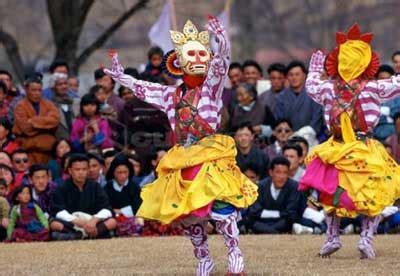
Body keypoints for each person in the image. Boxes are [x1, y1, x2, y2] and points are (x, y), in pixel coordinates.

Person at [104, 16, 257, 275]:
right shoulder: (171, 94)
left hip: (211, 154)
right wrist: (122, 78)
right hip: (185, 157)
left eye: (201, 53)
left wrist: (221, 42)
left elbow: (222, 64)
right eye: (192, 54)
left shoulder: (211, 88)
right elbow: (144, 88)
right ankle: (203, 259)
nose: (198, 59)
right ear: (180, 62)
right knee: (190, 213)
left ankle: (234, 254)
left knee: (222, 208)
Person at [299, 24, 400, 259]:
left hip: (341, 148)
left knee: (334, 192)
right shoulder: (374, 87)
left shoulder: (326, 87)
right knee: (366, 194)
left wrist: (314, 68)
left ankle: (337, 236)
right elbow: (397, 84)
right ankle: (362, 237)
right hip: (358, 148)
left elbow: (310, 85)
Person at [50, 154, 117, 240]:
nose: (81, 172)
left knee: (112, 222)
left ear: (88, 170)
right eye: (77, 169)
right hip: (73, 223)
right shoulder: (62, 187)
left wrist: (94, 220)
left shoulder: (95, 186)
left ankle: (83, 235)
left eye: (84, 169)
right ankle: (85, 235)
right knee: (54, 224)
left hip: (92, 223)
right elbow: (58, 211)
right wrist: (76, 221)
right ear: (70, 171)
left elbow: (106, 208)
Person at [13, 73, 60, 164]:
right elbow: (26, 128)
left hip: (48, 152)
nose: (37, 93)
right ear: (26, 89)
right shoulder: (20, 106)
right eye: (33, 90)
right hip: (29, 153)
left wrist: (33, 121)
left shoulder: (49, 104)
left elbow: (55, 120)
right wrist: (45, 126)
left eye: (39, 90)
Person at [245, 157, 300, 234]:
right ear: (271, 172)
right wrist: (280, 213)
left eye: (285, 173)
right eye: (278, 172)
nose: (282, 176)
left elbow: (291, 213)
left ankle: (270, 231)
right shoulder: (260, 186)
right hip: (261, 222)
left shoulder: (294, 187)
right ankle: (271, 231)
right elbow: (254, 212)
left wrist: (267, 214)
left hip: (283, 223)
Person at [274, 61, 324, 135]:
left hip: (310, 137)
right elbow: (279, 121)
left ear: (304, 76)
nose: (294, 77)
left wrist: (306, 133)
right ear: (287, 77)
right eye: (291, 75)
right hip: (288, 137)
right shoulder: (280, 97)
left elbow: (317, 119)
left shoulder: (314, 95)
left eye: (297, 74)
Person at [104, 154, 143, 237]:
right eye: (119, 172)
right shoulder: (107, 187)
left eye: (125, 172)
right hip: (113, 221)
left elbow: (138, 208)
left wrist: (120, 211)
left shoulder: (134, 187)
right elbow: (105, 207)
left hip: (132, 221)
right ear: (113, 172)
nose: (123, 176)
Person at [49, 73, 76, 140]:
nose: (64, 86)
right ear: (53, 88)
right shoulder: (49, 106)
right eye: (60, 84)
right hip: (61, 143)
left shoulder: (76, 102)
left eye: (65, 83)